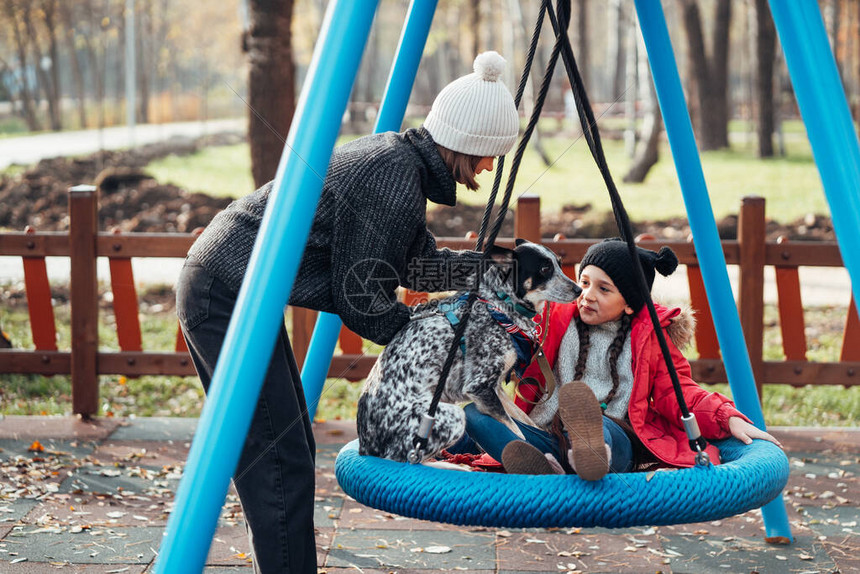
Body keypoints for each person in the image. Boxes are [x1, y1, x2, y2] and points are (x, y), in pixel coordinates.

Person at [175, 51, 520, 574]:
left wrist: (488, 272)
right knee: (278, 461)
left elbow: (417, 265)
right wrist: (425, 335)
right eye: (487, 156)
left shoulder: (401, 165)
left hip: (238, 287)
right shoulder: (393, 176)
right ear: (466, 144)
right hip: (225, 293)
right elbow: (361, 295)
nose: (489, 168)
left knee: (282, 453)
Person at [462, 238, 781, 480]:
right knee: (477, 415)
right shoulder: (550, 318)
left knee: (593, 423)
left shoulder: (648, 336)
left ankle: (587, 459)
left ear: (629, 303)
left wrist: (727, 417)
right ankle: (547, 467)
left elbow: (677, 390)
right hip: (547, 433)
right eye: (584, 282)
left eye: (604, 289)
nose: (587, 294)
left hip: (613, 433)